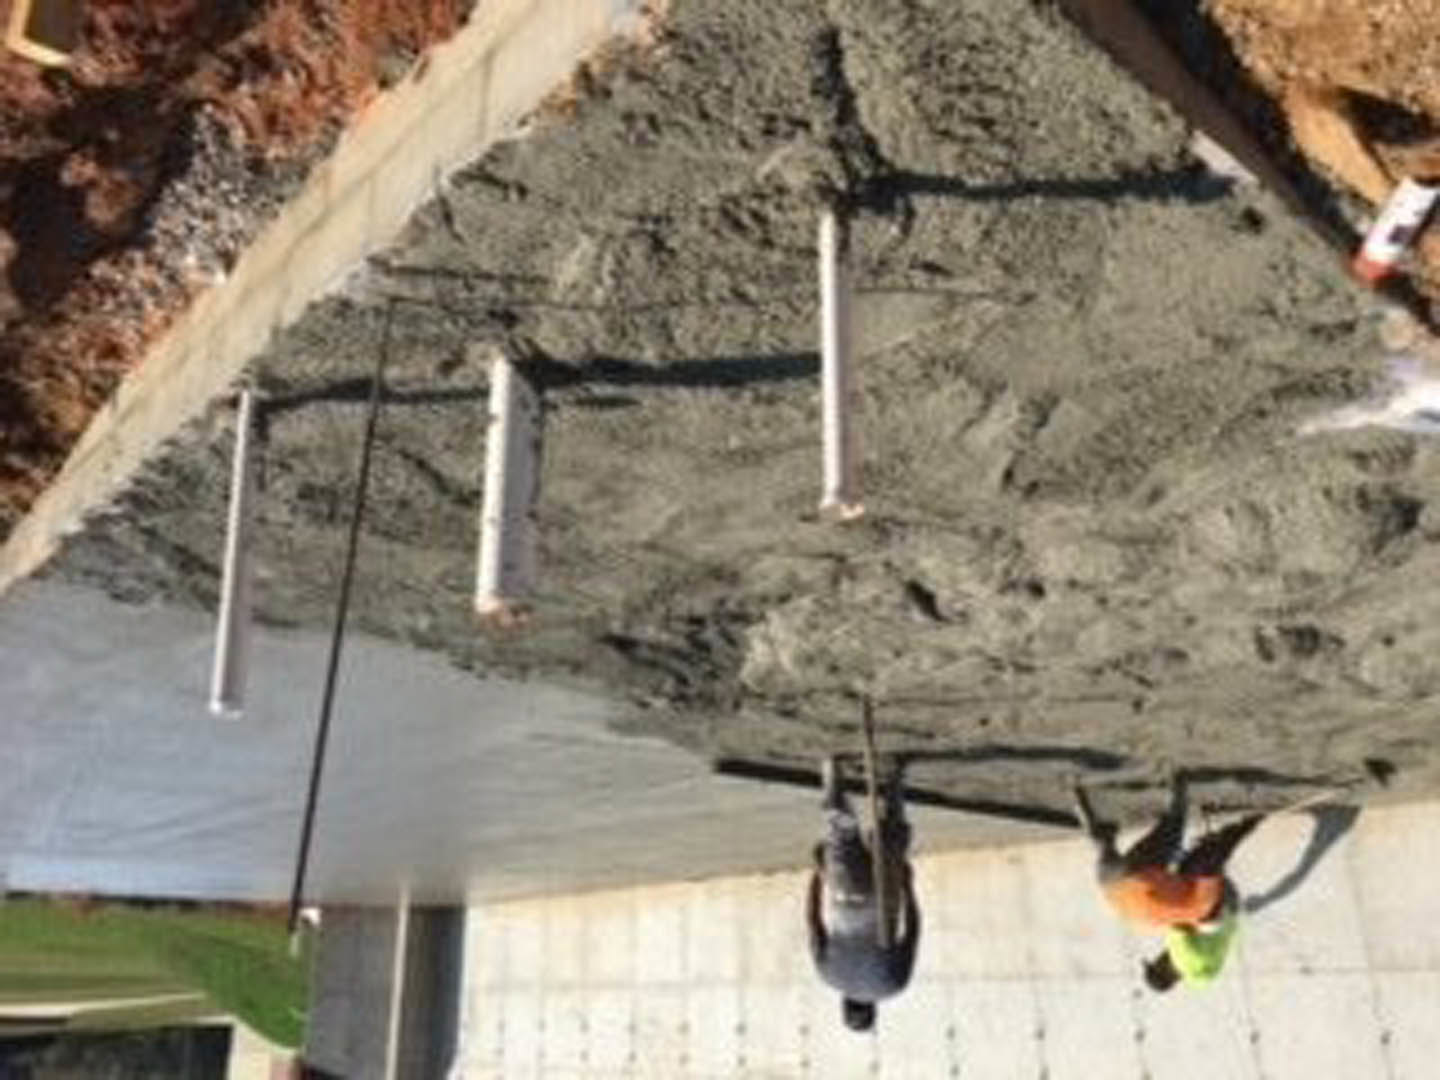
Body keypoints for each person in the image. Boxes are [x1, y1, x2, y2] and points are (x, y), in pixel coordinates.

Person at [1073, 774, 1263, 992]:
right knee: (1113, 848)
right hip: (1114, 892)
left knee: (1179, 841)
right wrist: (1232, 835)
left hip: (1144, 883)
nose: (1160, 956)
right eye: (1157, 962)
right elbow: (1206, 868)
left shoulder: (1201, 953)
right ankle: (1093, 827)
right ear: (1163, 968)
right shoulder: (1181, 940)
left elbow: (1209, 867)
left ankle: (1180, 785)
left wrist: (1241, 829)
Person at [806, 754, 921, 1031]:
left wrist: (906, 885)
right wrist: (819, 875)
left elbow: (913, 931)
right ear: (844, 1004)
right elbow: (813, 923)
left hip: (885, 901)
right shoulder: (829, 977)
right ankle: (832, 771)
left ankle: (895, 775)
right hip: (845, 897)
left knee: (891, 835)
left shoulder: (893, 985)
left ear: (873, 1009)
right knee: (841, 836)